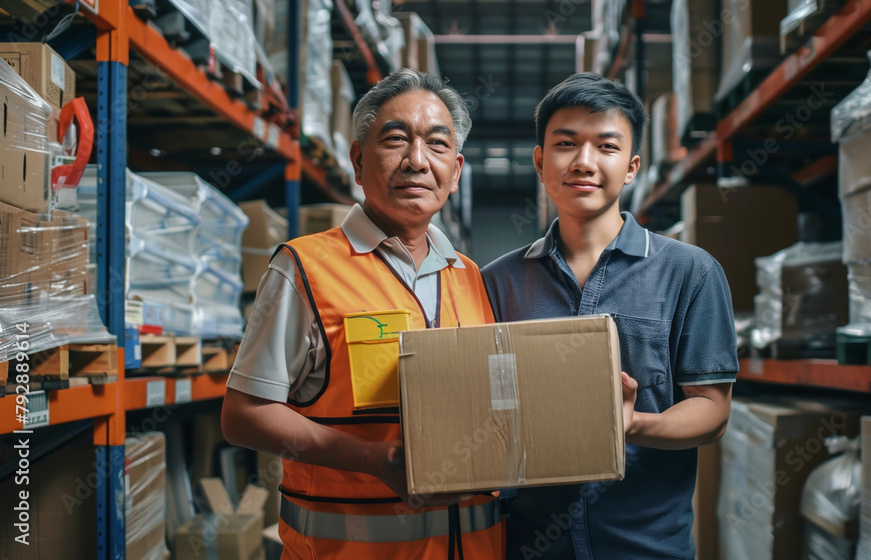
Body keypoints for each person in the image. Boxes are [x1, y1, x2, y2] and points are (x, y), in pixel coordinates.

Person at [221, 69, 503, 559]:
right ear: (357, 160)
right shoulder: (304, 267)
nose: (417, 161)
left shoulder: (470, 275)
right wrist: (372, 459)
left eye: (437, 146)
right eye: (396, 140)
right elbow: (243, 417)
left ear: (456, 172)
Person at [481, 73, 738, 560]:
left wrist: (630, 425)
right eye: (565, 144)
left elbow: (712, 409)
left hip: (644, 547)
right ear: (540, 161)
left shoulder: (691, 273)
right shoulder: (499, 282)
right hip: (528, 545)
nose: (584, 162)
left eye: (606, 146)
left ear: (633, 166)